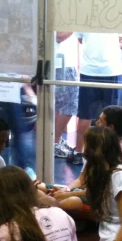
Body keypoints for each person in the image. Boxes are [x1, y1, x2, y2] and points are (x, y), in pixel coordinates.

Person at [70, 32, 122, 165]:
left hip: (91, 70)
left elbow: (81, 39)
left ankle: (78, 152)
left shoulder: (84, 13)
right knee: (112, 117)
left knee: (85, 114)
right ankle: (111, 154)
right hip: (111, 69)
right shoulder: (119, 12)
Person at [53, 31, 80, 159]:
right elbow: (58, 35)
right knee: (69, 106)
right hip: (62, 65)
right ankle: (55, 142)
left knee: (61, 106)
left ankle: (55, 140)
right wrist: (76, 23)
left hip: (62, 63)